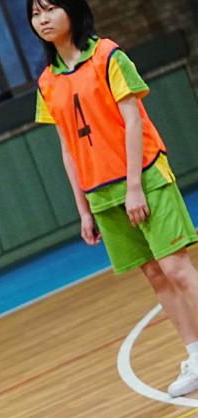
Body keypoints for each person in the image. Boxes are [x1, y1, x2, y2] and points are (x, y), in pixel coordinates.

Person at [31, 0, 198, 396]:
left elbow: (133, 120)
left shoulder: (108, 55)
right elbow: (68, 149)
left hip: (145, 178)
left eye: (50, 9)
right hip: (101, 193)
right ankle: (194, 355)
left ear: (72, 10)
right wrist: (83, 209)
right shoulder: (47, 82)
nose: (43, 19)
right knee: (155, 275)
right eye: (35, 14)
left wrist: (135, 185)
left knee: (176, 268)